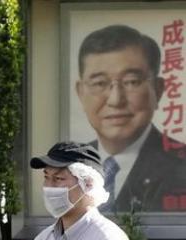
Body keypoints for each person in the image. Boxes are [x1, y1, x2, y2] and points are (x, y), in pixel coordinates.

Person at [75, 24, 186, 212]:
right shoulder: (69, 166)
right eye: (100, 83)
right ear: (80, 93)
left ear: (158, 90)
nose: (116, 100)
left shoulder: (181, 167)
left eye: (132, 82)